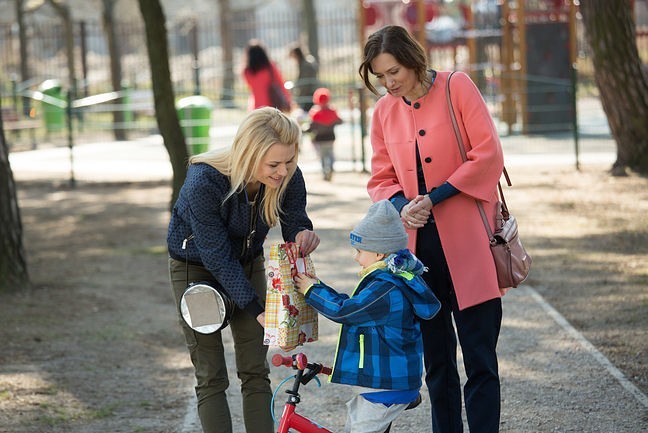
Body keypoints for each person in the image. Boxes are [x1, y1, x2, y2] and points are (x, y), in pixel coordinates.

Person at [358, 25, 505, 433]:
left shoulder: (458, 87)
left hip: (471, 246)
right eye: (380, 76)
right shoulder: (384, 111)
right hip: (417, 259)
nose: (388, 83)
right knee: (436, 363)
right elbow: (380, 177)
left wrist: (434, 198)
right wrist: (404, 205)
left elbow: (488, 154)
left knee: (480, 360)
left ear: (413, 60)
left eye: (394, 72)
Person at [167, 107, 320, 433]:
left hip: (247, 262)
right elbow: (216, 256)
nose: (283, 171)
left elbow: (295, 217)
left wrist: (302, 233)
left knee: (255, 369)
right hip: (196, 271)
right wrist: (257, 310)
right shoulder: (204, 181)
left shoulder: (287, 172)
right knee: (211, 375)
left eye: (290, 161)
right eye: (274, 164)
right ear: (249, 155)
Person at [294, 199, 441, 433]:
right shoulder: (390, 278)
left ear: (379, 253)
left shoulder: (386, 287)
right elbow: (353, 305)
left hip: (385, 383)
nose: (355, 257)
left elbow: (347, 311)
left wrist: (312, 291)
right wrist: (318, 286)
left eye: (359, 251)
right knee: (356, 425)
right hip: (382, 381)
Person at [243, 39, 292, 112]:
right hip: (272, 105)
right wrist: (288, 99)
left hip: (256, 106)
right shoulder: (270, 68)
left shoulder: (246, 71)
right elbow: (280, 83)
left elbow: (250, 88)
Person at [305, 87, 343, 181]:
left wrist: (305, 130)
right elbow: (340, 121)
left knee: (322, 156)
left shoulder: (315, 113)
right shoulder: (332, 111)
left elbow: (311, 127)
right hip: (331, 137)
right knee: (330, 154)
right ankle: (330, 168)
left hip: (319, 138)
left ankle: (324, 172)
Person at [288, 44, 319, 111]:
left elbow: (305, 83)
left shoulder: (306, 65)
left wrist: (300, 97)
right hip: (309, 92)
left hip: (309, 93)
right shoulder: (304, 63)